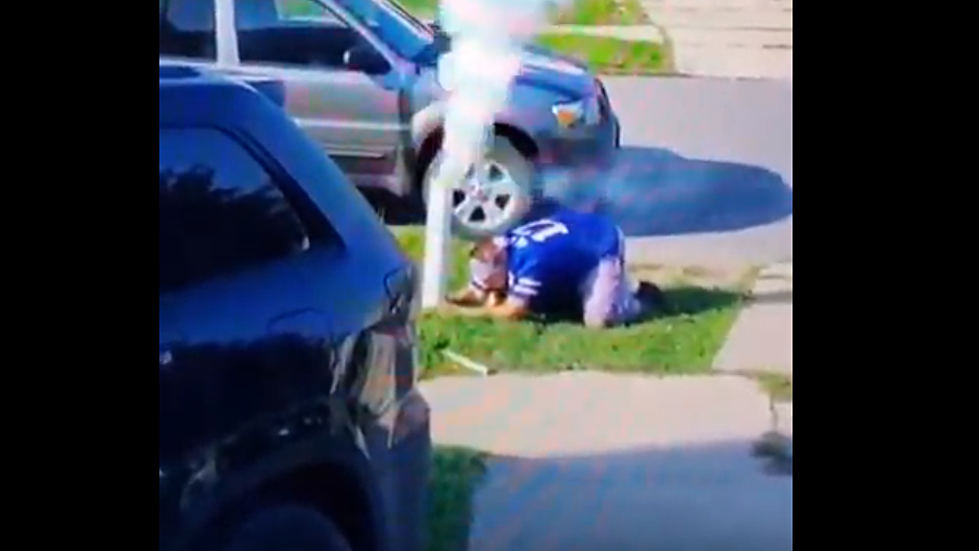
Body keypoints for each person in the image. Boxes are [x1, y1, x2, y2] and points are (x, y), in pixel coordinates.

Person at [448, 204, 664, 327]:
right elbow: (476, 291)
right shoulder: (498, 250)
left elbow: (514, 310)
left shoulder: (531, 260)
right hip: (572, 241)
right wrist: (449, 302)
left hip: (600, 244)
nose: (486, 288)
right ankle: (584, 291)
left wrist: (469, 314)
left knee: (598, 320)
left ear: (502, 264)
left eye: (489, 282)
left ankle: (638, 298)